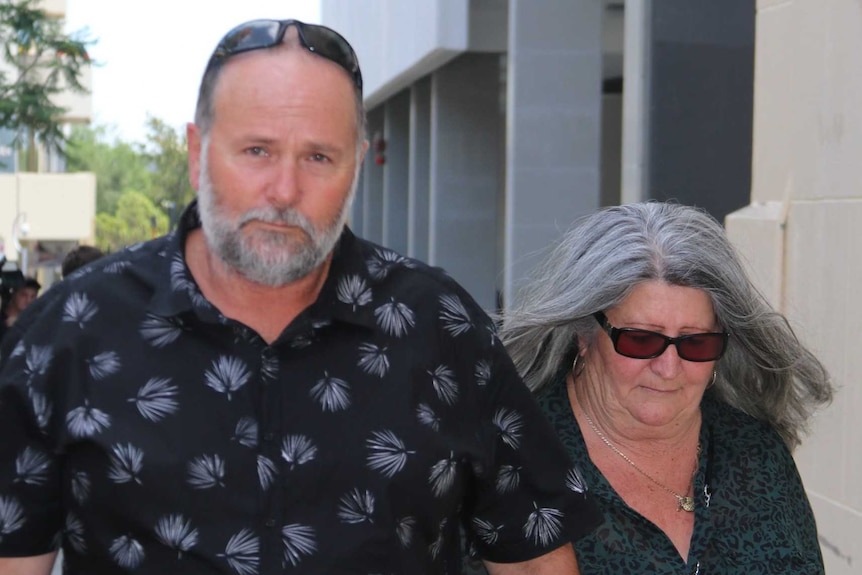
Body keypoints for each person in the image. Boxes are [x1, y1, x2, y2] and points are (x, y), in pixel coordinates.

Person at [0, 19, 600, 575]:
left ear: (357, 166)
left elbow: (534, 555)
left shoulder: (441, 329)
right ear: (196, 153)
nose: (284, 190)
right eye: (256, 150)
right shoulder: (70, 335)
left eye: (318, 157)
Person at [497, 201, 833, 574]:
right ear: (584, 334)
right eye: (641, 340)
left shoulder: (756, 452)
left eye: (696, 344)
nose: (669, 368)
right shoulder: (514, 458)